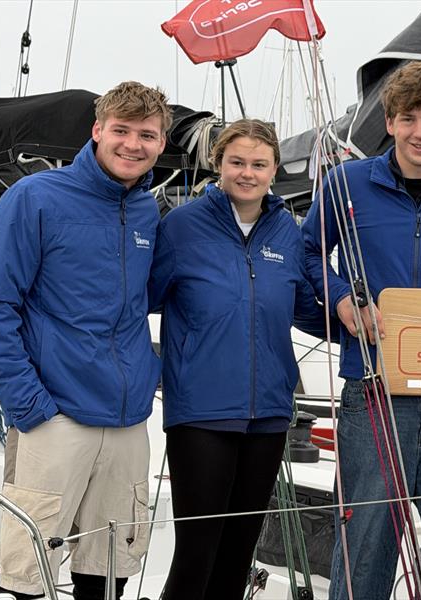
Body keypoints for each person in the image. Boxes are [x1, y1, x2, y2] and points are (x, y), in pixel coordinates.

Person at [301, 60, 421, 600]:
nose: (420, 132)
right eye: (408, 119)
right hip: (373, 388)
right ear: (389, 122)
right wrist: (341, 299)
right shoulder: (346, 184)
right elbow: (309, 254)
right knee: (365, 543)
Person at [0, 81, 170, 600]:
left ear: (161, 143)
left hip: (128, 419)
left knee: (110, 566)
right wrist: (28, 404)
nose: (133, 144)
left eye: (147, 135)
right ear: (96, 131)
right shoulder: (35, 198)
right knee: (29, 572)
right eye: (121, 130)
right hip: (54, 414)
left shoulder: (147, 211)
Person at [148, 119, 324, 600]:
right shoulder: (182, 227)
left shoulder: (286, 231)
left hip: (268, 414)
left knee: (238, 556)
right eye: (237, 162)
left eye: (259, 164)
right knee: (195, 558)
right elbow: (139, 299)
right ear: (219, 164)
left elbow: (307, 308)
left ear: (274, 169)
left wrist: (362, 321)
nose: (248, 173)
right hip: (201, 414)